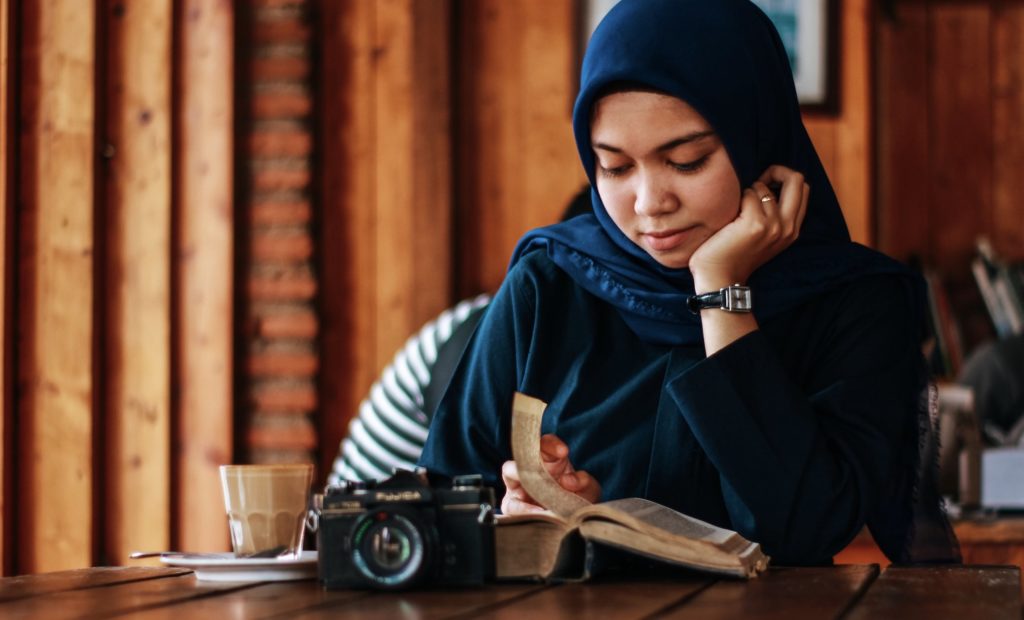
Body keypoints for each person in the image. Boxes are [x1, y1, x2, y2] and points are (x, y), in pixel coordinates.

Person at [419, 0, 959, 565]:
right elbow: (445, 505)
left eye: (687, 161)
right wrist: (520, 518)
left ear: (758, 140)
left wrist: (721, 292)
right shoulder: (550, 284)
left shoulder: (855, 305)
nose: (651, 204)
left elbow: (801, 529)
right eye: (616, 167)